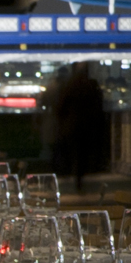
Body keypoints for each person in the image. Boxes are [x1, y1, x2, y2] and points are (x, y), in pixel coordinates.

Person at [44, 62, 111, 194]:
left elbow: (60, 106)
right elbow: (99, 106)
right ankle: (77, 180)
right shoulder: (90, 85)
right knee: (81, 155)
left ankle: (70, 178)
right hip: (86, 127)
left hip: (72, 126)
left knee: (72, 153)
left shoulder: (69, 85)